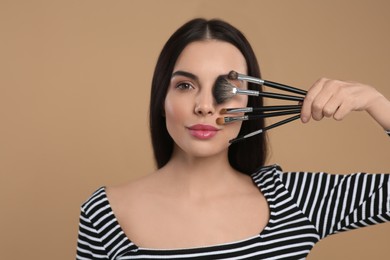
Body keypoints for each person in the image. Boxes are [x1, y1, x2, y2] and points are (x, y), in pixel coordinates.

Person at [76, 18, 390, 259]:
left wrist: (377, 103)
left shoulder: (292, 199)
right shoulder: (105, 213)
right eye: (186, 85)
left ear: (249, 104)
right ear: (161, 100)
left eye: (229, 88)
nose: (205, 106)